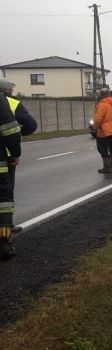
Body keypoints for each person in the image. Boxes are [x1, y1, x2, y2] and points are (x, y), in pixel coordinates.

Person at [0, 79, 37, 260]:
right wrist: (15, 153)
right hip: (3, 159)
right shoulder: (6, 101)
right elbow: (13, 130)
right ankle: (4, 244)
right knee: (4, 202)